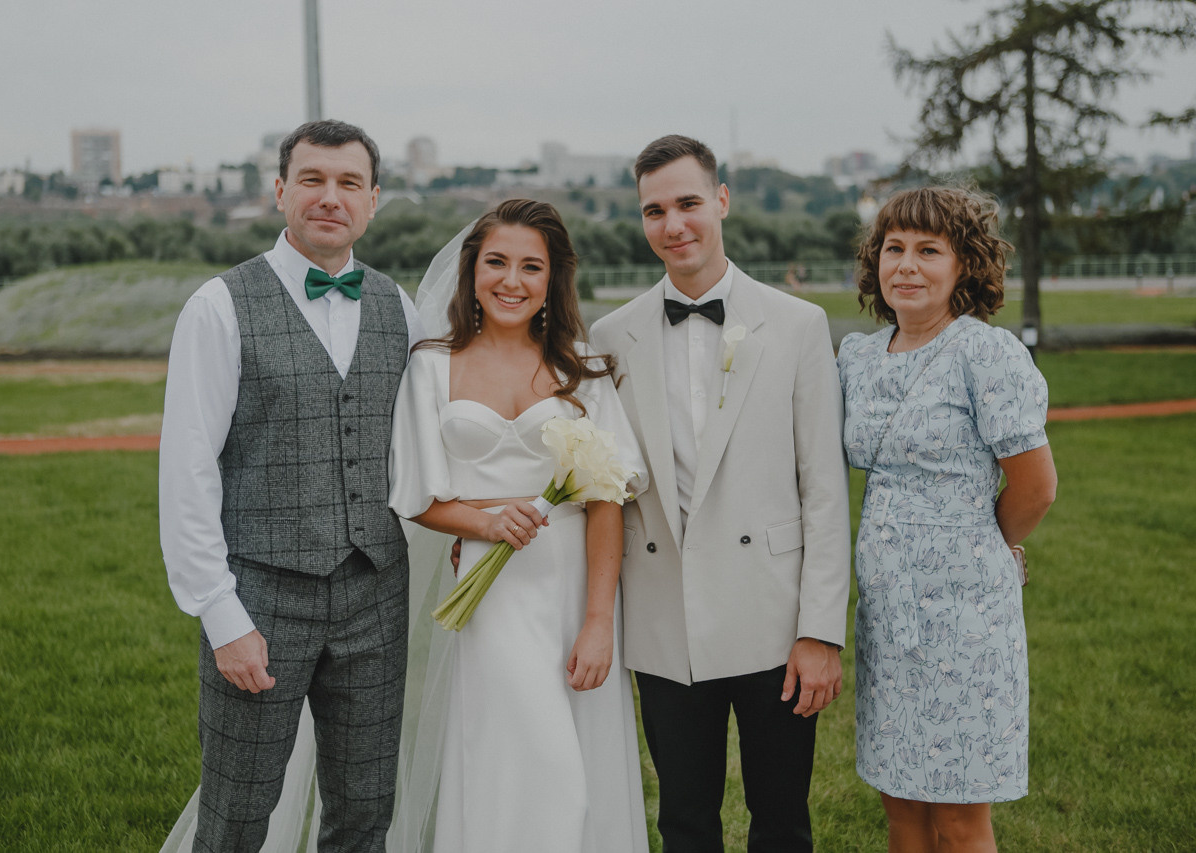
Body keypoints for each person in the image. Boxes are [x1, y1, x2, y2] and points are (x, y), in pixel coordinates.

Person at [158, 119, 424, 853]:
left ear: (373, 201)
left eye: (348, 183)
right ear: (281, 191)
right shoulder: (219, 306)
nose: (329, 197)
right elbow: (187, 471)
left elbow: (428, 444)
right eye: (312, 179)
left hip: (376, 594)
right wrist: (222, 614)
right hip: (261, 600)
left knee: (366, 810)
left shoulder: (399, 308)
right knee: (238, 816)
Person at [589, 134, 852, 852]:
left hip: (774, 619)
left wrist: (821, 630)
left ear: (722, 201)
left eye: (688, 203)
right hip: (664, 623)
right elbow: (595, 480)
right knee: (685, 824)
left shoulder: (798, 325)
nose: (673, 225)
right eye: (654, 210)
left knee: (782, 823)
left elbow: (823, 490)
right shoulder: (610, 337)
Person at [387, 198, 650, 853]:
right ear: (471, 271)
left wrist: (598, 621)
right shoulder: (431, 365)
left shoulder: (581, 368)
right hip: (491, 590)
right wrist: (483, 518)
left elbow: (605, 500)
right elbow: (415, 494)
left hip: (572, 593)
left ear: (553, 279)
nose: (511, 280)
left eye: (531, 266)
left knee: (582, 769)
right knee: (534, 765)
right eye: (496, 262)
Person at [837, 185, 1057, 852]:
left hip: (965, 616)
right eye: (894, 248)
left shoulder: (983, 355)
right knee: (901, 803)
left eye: (928, 250)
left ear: (964, 265)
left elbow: (1036, 487)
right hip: (887, 613)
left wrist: (986, 544)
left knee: (959, 816)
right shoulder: (858, 357)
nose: (906, 264)